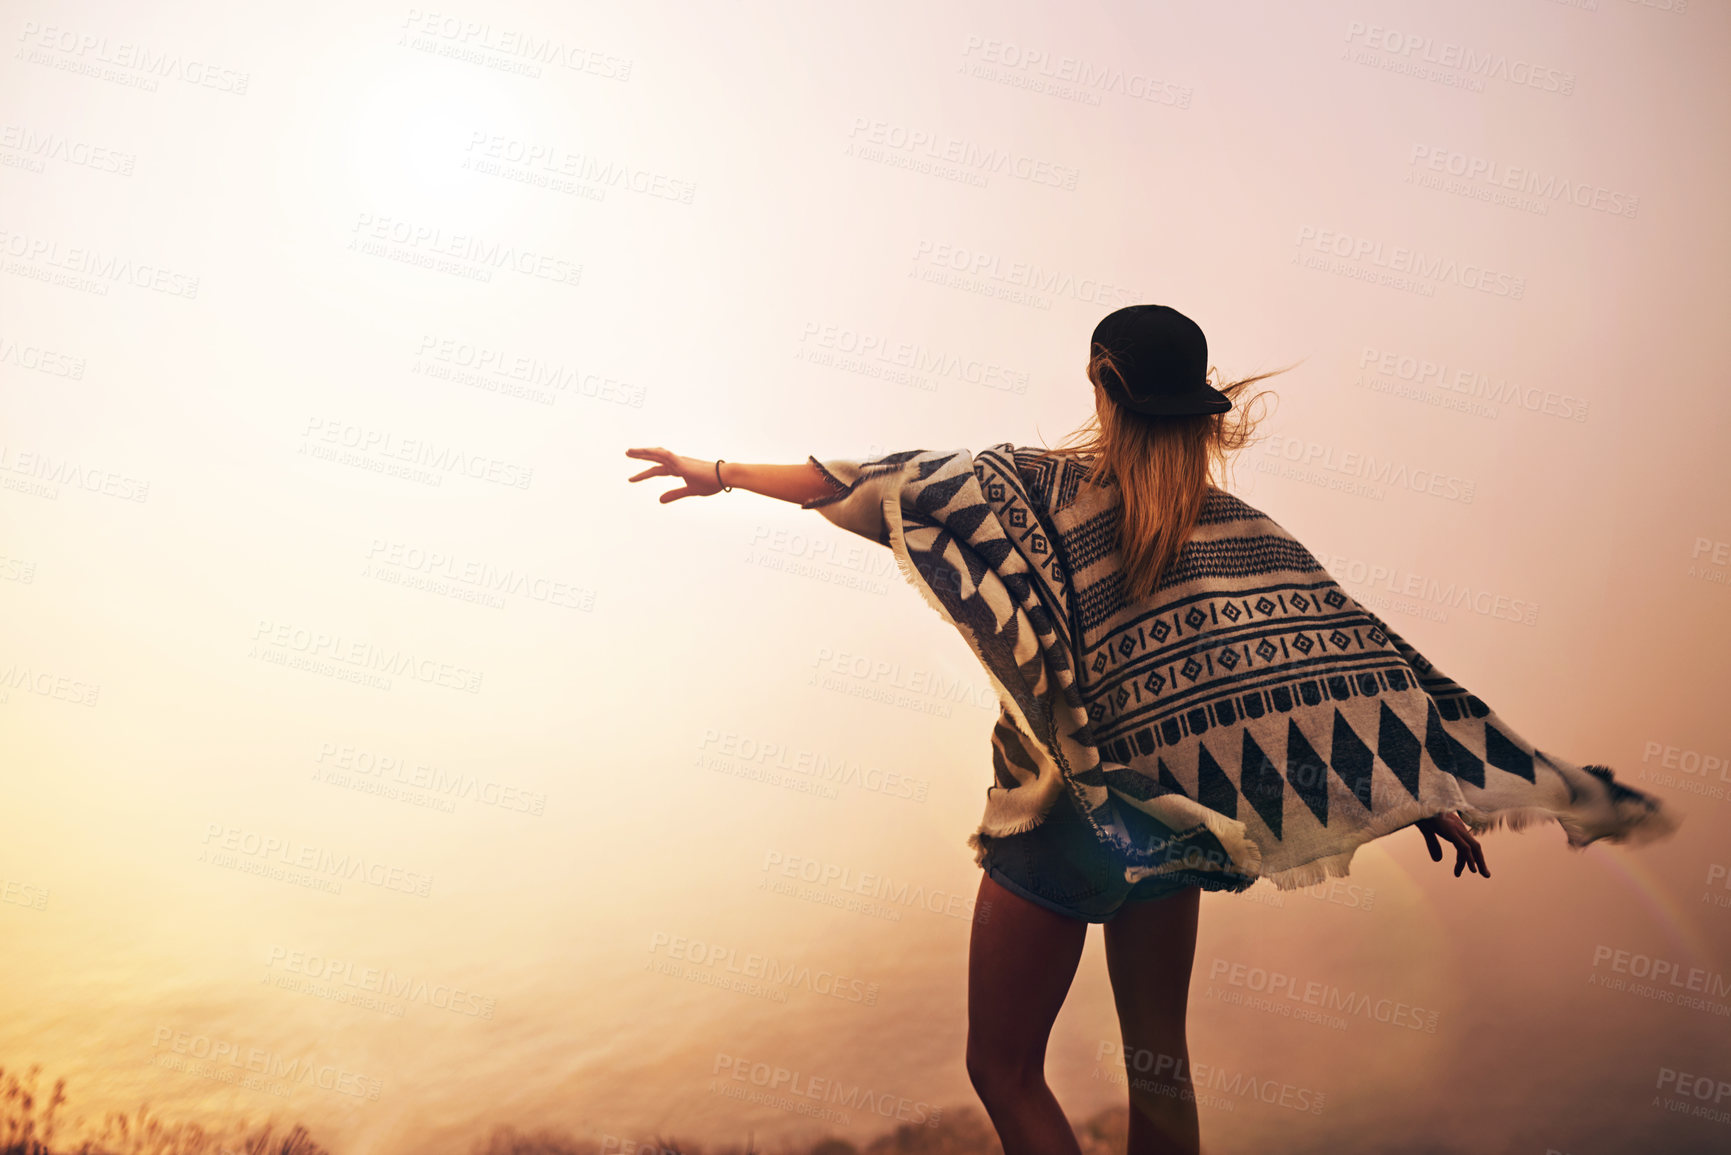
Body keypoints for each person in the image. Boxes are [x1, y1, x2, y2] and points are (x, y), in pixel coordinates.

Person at [625, 304, 1676, 1155]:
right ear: (1200, 405)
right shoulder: (1240, 536)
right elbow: (1336, 673)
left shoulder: (1021, 488)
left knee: (1002, 1069)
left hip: (1054, 825)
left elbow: (858, 486)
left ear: (1099, 384)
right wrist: (1422, 795)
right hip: (1174, 832)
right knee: (1158, 1064)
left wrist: (718, 473)